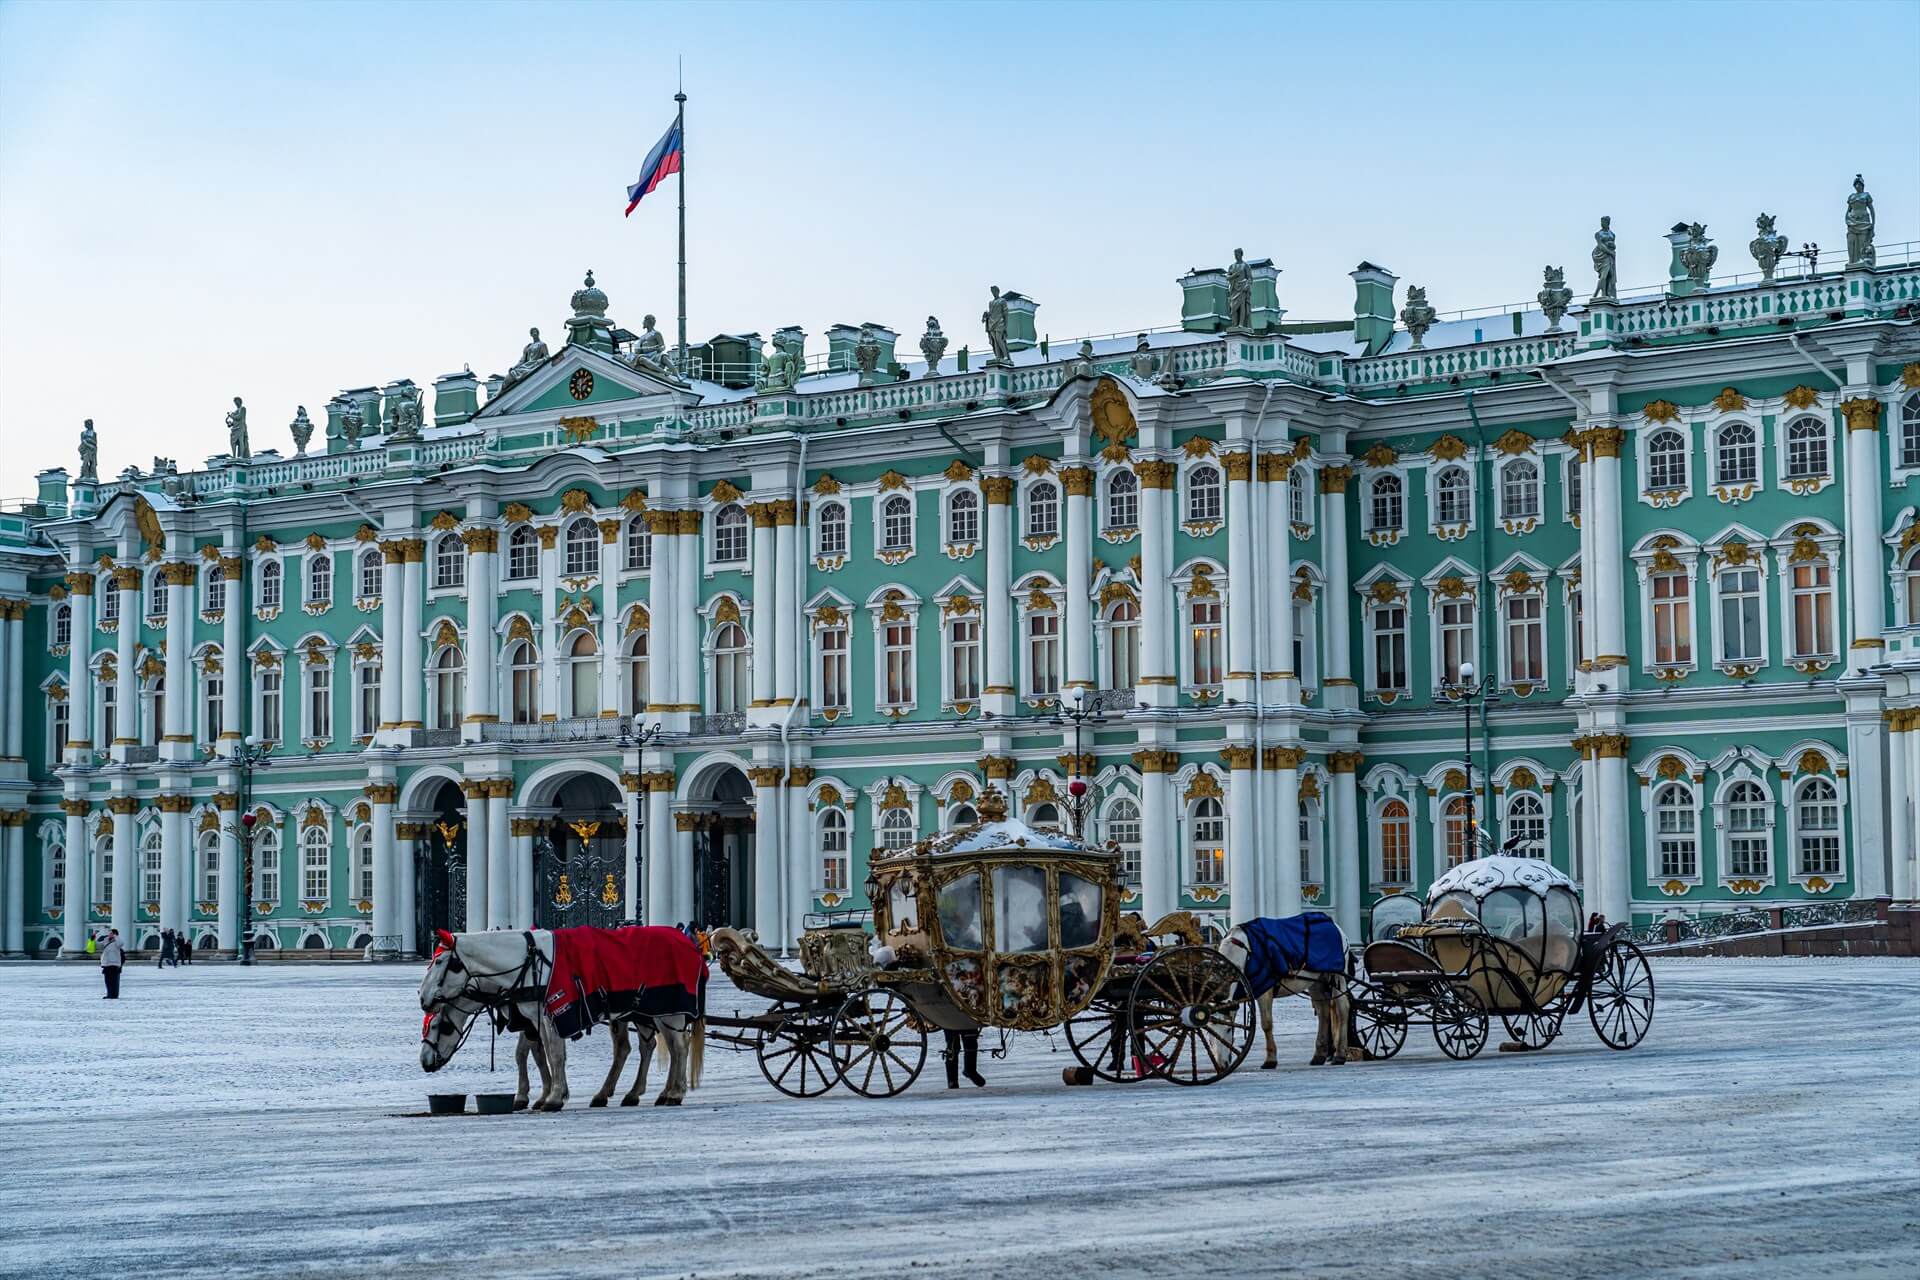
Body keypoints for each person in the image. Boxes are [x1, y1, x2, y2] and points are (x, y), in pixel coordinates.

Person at [100, 928, 125, 999]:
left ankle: (114, 995)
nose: (109, 935)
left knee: (114, 982)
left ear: (114, 934)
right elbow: (97, 945)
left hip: (114, 965)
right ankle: (109, 994)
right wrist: (93, 938)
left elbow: (121, 943)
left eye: (110, 933)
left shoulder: (117, 942)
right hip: (106, 964)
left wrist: (115, 936)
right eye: (109, 933)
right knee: (108, 981)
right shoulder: (106, 941)